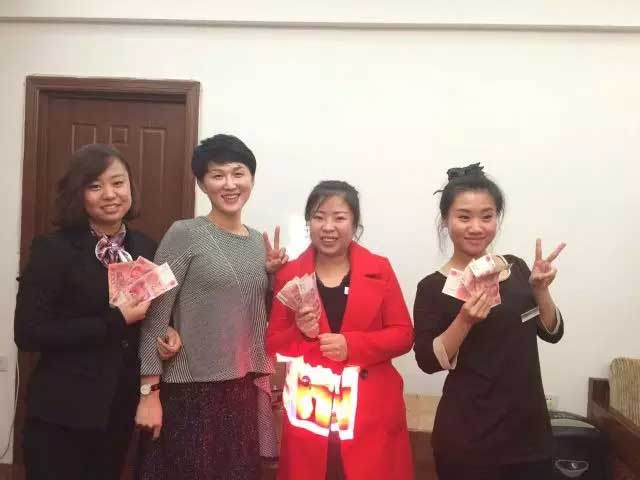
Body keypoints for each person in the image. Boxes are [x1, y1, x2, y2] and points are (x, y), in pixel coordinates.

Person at [14, 144, 179, 479]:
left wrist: (168, 332)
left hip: (118, 409)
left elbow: (150, 316)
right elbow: (28, 333)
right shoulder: (54, 249)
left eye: (118, 183)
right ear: (79, 194)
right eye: (95, 186)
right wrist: (114, 321)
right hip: (61, 412)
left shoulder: (146, 247)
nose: (110, 194)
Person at [135, 134, 286, 479]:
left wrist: (274, 277)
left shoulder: (260, 243)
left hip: (242, 387)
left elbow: (257, 316)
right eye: (217, 175)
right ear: (203, 184)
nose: (230, 184)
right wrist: (149, 392)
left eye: (238, 173)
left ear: (251, 178)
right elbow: (155, 315)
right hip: (189, 389)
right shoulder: (184, 233)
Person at [413, 163, 566, 480]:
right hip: (468, 441)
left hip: (529, 435)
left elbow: (552, 332)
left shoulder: (517, 268)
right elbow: (427, 361)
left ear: (497, 218)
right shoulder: (432, 287)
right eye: (464, 217)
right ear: (446, 221)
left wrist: (541, 291)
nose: (476, 227)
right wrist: (464, 320)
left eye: (487, 216)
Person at [266, 180, 414, 480]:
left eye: (339, 217)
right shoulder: (289, 274)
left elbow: (403, 334)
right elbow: (273, 346)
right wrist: (298, 333)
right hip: (311, 413)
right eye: (319, 217)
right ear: (309, 222)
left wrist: (353, 346)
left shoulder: (380, 269)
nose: (328, 227)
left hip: (368, 413)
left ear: (355, 224)